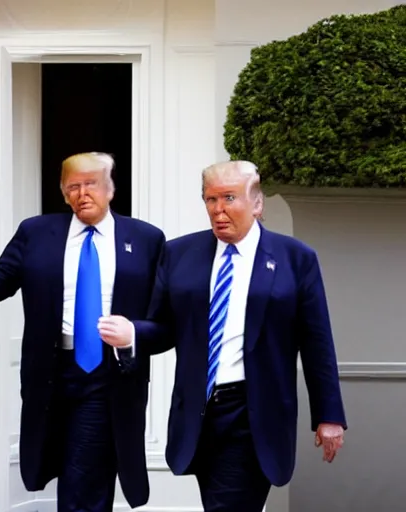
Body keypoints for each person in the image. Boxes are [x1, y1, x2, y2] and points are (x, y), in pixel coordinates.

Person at [0, 152, 165, 512]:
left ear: (111, 188)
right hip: (52, 370)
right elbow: (1, 279)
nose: (81, 193)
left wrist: (133, 332)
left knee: (84, 468)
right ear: (62, 193)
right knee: (71, 465)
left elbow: (163, 314)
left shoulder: (146, 238)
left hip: (108, 372)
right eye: (72, 186)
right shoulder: (37, 232)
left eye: (91, 184)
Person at [98, 160, 347, 512]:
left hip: (253, 413)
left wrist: (329, 415)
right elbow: (165, 328)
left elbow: (317, 342)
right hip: (199, 414)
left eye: (229, 198)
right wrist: (132, 334)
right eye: (210, 200)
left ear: (257, 204)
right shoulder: (179, 253)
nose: (218, 210)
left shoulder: (295, 259)